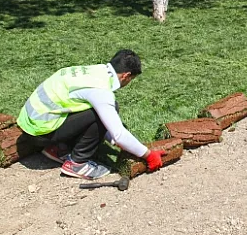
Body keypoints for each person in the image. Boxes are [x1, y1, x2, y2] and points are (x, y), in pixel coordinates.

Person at [16, 50, 165, 180]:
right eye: (131, 80)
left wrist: (113, 140)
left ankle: (58, 149)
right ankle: (77, 163)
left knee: (98, 110)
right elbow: (118, 133)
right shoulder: (101, 91)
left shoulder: (94, 71)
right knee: (100, 112)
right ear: (126, 76)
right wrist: (148, 154)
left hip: (29, 122)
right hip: (40, 133)